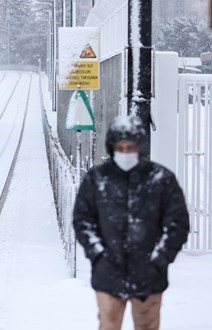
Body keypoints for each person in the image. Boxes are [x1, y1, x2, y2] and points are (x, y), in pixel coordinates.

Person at [73, 115, 190, 330]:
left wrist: (160, 258)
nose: (125, 153)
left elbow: (178, 223)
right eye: (121, 147)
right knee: (108, 324)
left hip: (149, 276)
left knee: (147, 325)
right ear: (112, 147)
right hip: (108, 274)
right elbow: (83, 220)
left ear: (140, 148)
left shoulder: (161, 179)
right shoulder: (97, 179)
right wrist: (97, 254)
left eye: (131, 147)